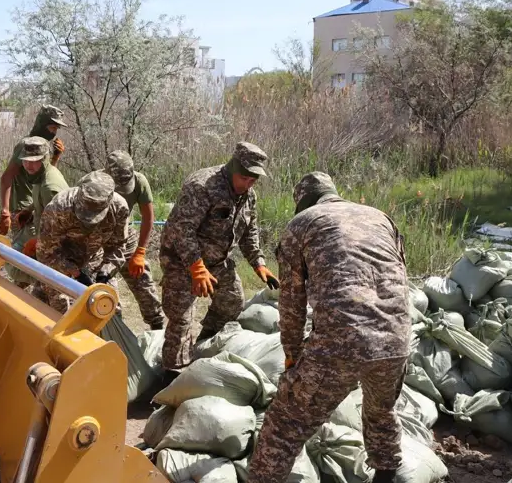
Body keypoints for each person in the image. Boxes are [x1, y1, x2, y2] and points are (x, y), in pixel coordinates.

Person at [246, 172, 412, 483]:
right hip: (396, 339)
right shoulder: (379, 217)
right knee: (382, 413)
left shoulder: (303, 223)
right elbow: (400, 277)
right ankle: (386, 476)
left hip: (340, 345)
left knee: (285, 424)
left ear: (303, 201)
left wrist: (293, 355)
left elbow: (292, 300)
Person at [158, 141, 279, 372]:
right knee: (181, 320)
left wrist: (258, 263)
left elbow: (249, 230)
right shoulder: (202, 185)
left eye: (254, 180)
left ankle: (206, 345)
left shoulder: (248, 196)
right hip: (182, 262)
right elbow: (181, 229)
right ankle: (173, 373)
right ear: (234, 168)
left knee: (232, 301)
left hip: (219, 262)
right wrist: (197, 269)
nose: (249, 184)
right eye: (245, 178)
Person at [34, 171, 129, 313]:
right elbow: (46, 253)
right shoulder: (58, 208)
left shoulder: (119, 208)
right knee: (61, 310)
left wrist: (104, 273)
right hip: (60, 262)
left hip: (94, 259)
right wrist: (75, 273)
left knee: (109, 307)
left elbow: (117, 246)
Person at [103, 151, 167, 330]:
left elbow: (148, 216)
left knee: (144, 284)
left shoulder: (139, 182)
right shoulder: (95, 183)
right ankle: (117, 334)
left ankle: (157, 326)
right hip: (101, 241)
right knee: (106, 291)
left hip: (127, 237)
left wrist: (140, 251)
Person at [1, 137, 69, 289]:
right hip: (43, 235)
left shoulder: (49, 186)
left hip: (54, 245)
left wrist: (38, 243)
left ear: (45, 159)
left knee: (18, 267)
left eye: (34, 161)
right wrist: (29, 210)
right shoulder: (40, 175)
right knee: (14, 261)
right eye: (25, 160)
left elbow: (60, 227)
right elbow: (43, 203)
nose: (28, 165)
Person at [0, 105, 68, 235]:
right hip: (22, 209)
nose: (53, 133)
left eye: (56, 129)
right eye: (52, 127)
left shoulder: (45, 146)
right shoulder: (26, 145)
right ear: (42, 124)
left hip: (36, 207)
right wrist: (5, 212)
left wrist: (56, 157)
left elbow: (45, 175)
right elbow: (7, 177)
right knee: (22, 249)